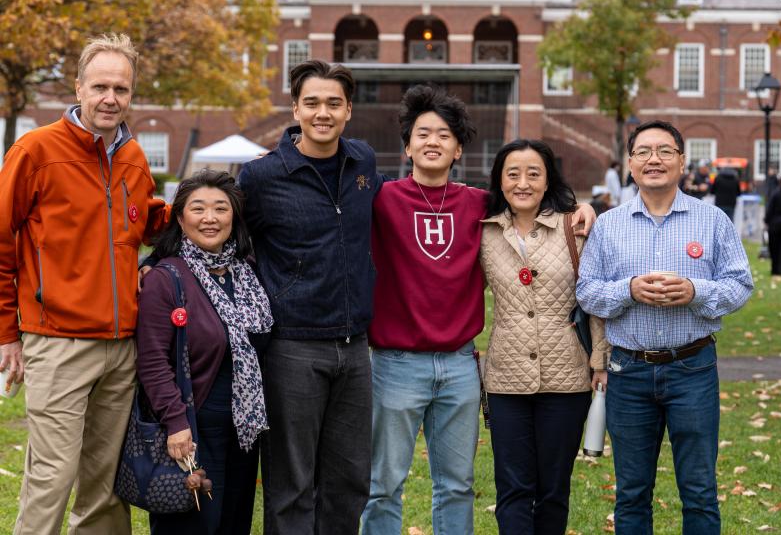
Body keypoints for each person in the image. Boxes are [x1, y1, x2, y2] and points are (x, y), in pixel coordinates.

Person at [361, 85, 598, 535]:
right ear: (408, 145)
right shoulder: (379, 199)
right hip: (395, 364)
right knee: (384, 483)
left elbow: (533, 208)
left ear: (458, 149)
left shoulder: (479, 206)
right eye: (423, 133)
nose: (433, 141)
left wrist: (583, 207)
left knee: (456, 484)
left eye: (445, 135)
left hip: (460, 365)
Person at [0, 33, 169, 535]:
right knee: (53, 476)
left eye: (121, 88)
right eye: (99, 86)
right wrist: (8, 333)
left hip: (122, 348)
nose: (110, 98)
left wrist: (192, 210)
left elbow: (137, 222)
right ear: (78, 87)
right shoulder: (35, 150)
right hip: (58, 341)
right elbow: (2, 243)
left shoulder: (133, 156)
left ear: (131, 94)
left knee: (105, 483)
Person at [576, 120, 753, 535]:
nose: (654, 159)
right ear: (631, 164)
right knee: (632, 492)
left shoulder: (711, 221)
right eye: (643, 152)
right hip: (628, 372)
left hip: (692, 368)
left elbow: (740, 285)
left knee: (699, 489)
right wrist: (629, 290)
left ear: (681, 161)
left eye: (664, 151)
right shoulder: (608, 225)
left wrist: (695, 290)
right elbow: (587, 293)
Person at [238, 60, 380, 534]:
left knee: (350, 481)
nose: (324, 113)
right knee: (291, 484)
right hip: (292, 348)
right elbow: (224, 237)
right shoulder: (261, 177)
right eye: (313, 103)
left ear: (348, 110)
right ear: (296, 108)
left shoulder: (363, 161)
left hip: (355, 348)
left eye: (333, 104)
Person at [480, 139, 610, 534]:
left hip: (567, 376)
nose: (523, 183)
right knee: (513, 488)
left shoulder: (577, 227)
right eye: (513, 174)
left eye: (533, 173)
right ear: (500, 182)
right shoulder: (484, 233)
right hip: (506, 377)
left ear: (548, 178)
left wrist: (600, 360)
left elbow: (595, 297)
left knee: (553, 489)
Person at [137, 170, 272, 534]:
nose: (210, 218)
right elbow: (152, 361)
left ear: (234, 217)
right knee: (194, 523)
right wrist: (176, 422)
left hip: (244, 423)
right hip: (193, 423)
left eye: (220, 208)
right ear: (180, 219)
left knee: (233, 522)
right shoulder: (166, 278)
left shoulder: (246, 273)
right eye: (198, 209)